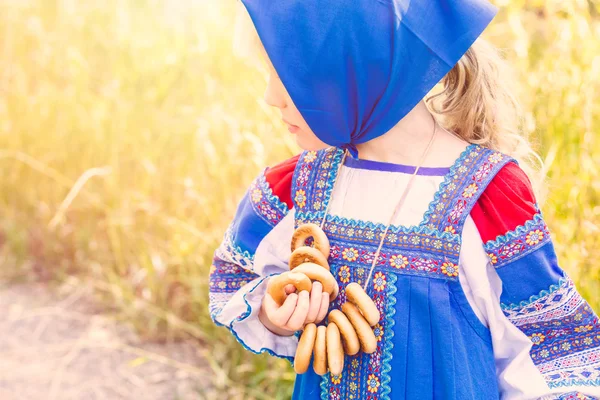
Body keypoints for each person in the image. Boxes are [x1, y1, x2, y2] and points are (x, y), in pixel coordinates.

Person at [208, 1, 600, 399]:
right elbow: (239, 275)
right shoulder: (297, 187)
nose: (271, 98)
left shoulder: (485, 194)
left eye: (285, 77)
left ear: (356, 71)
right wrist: (275, 312)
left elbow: (543, 348)